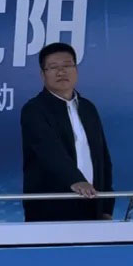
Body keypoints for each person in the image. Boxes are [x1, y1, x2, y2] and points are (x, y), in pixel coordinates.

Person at [20, 42, 114, 222]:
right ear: (43, 75)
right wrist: (75, 180)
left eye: (67, 66)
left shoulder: (88, 108)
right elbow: (48, 150)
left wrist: (106, 206)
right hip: (51, 205)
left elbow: (103, 159)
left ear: (76, 70)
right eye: (53, 67)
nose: (61, 72)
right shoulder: (34, 109)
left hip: (92, 203)